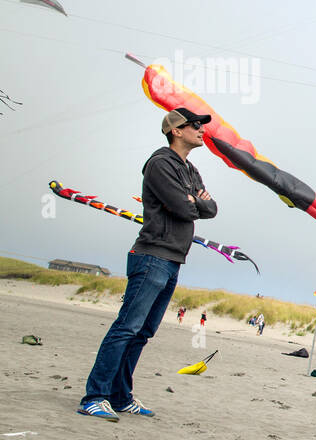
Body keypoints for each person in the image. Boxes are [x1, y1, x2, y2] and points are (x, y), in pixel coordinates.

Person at [79, 107, 217, 421]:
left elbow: (211, 208)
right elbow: (184, 209)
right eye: (194, 125)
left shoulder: (190, 169)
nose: (201, 129)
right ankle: (94, 396)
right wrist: (194, 201)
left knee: (143, 332)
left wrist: (197, 201)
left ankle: (120, 396)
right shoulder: (159, 164)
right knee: (126, 327)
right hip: (152, 255)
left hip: (173, 259)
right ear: (177, 131)